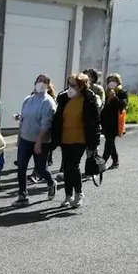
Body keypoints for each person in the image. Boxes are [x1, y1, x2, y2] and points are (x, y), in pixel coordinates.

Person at [51, 73, 101, 208]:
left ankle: (79, 194)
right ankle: (68, 196)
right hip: (65, 138)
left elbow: (95, 122)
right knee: (66, 168)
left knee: (73, 166)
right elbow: (57, 119)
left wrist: (94, 142)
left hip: (81, 139)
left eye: (73, 85)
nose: (70, 88)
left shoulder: (89, 99)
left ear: (81, 86)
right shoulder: (63, 98)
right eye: (69, 84)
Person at [11, 75, 58, 207]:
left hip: (41, 141)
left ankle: (51, 182)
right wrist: (19, 137)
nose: (41, 84)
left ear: (48, 85)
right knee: (21, 167)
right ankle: (22, 195)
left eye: (44, 82)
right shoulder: (28, 99)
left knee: (40, 168)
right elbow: (24, 118)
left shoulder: (48, 102)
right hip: (25, 139)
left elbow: (46, 124)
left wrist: (39, 142)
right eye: (39, 81)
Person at [101, 73, 129, 170]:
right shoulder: (106, 92)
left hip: (115, 121)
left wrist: (115, 97)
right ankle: (115, 161)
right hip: (106, 121)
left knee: (109, 142)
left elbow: (122, 105)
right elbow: (104, 107)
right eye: (109, 81)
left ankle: (102, 161)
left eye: (113, 80)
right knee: (110, 141)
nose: (111, 83)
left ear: (118, 82)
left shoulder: (122, 92)